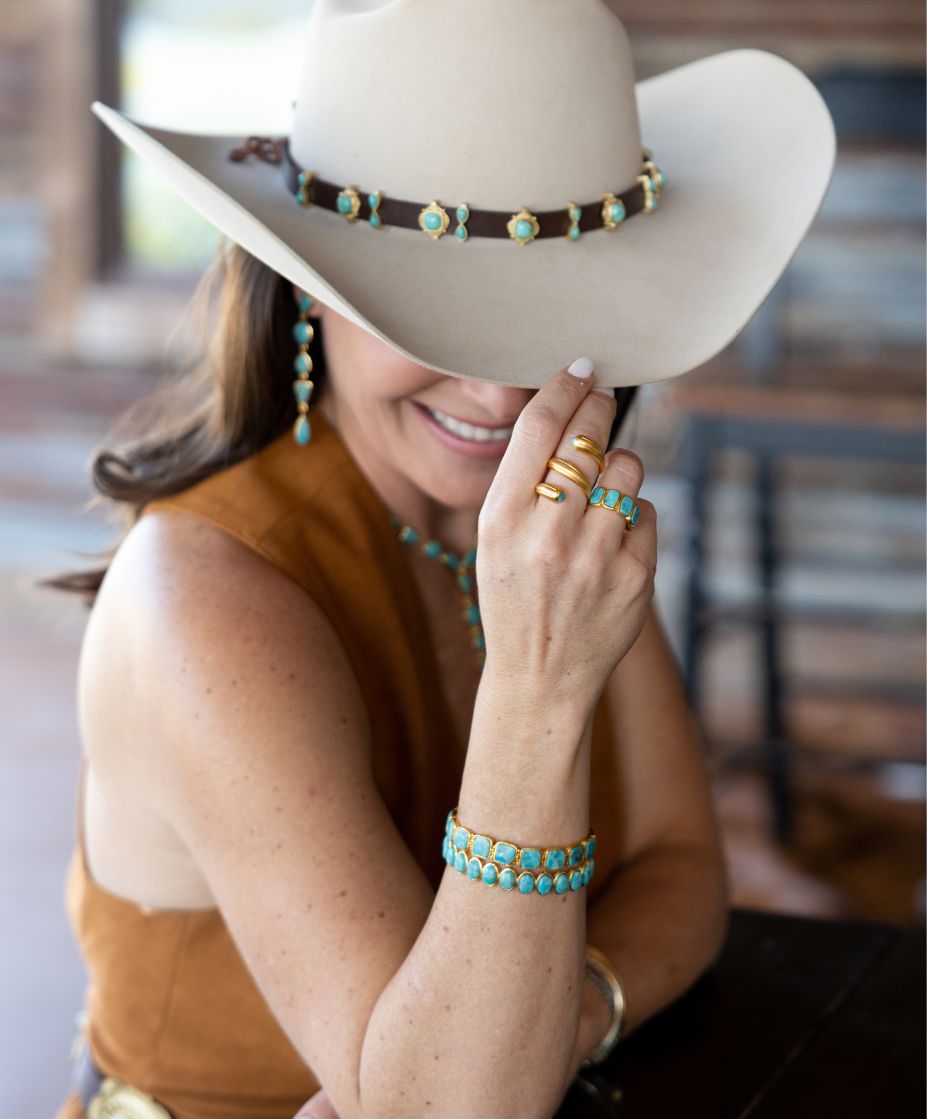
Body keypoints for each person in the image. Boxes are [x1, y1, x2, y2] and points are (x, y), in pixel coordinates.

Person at [46, 1, 835, 1115]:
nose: (500, 395)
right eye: (432, 313)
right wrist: (540, 687)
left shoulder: (540, 525)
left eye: (551, 311)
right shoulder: (200, 598)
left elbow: (681, 864)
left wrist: (553, 1023)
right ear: (310, 284)